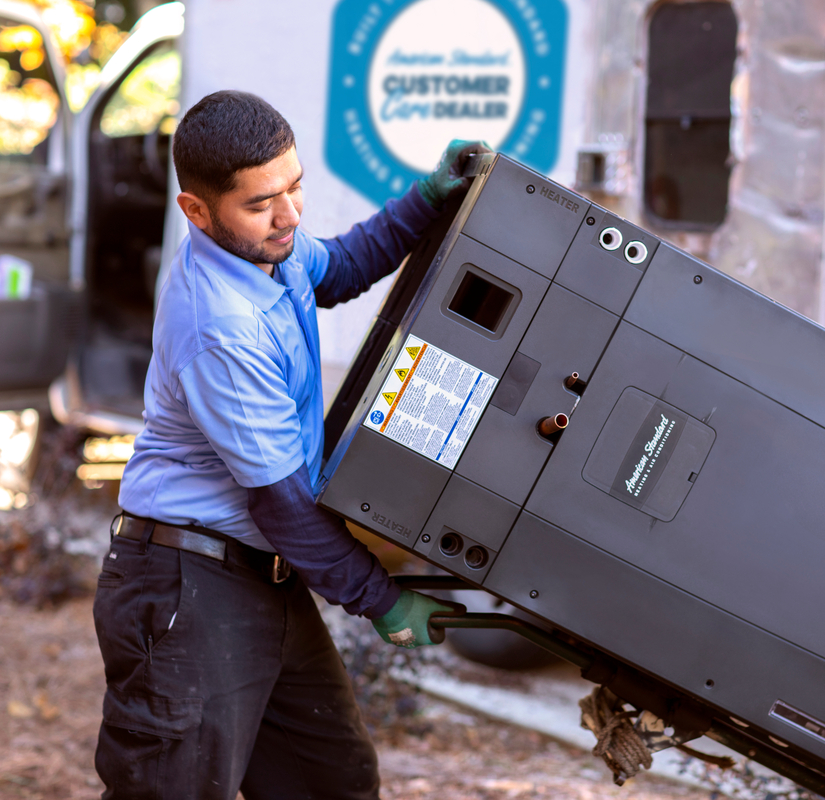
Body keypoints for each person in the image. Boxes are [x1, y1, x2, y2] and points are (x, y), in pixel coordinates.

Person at [92, 90, 483, 799]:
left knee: (328, 782)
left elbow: (337, 267)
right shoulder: (220, 326)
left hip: (260, 577)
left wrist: (426, 198)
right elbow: (282, 505)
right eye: (262, 203)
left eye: (294, 188)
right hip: (188, 587)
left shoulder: (267, 249)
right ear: (196, 211)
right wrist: (382, 600)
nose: (290, 216)